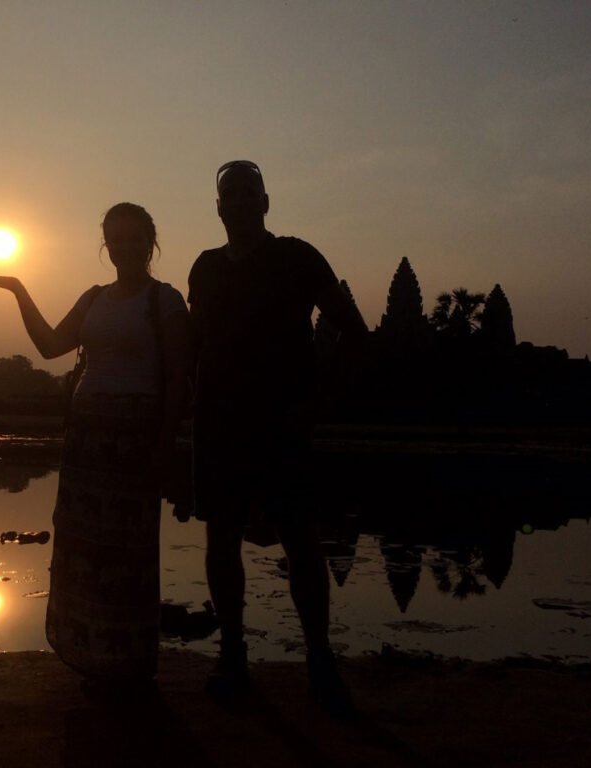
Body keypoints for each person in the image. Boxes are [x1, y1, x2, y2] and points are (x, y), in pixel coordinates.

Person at [0, 202, 189, 694]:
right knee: (82, 545)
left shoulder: (165, 301)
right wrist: (18, 289)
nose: (125, 247)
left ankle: (129, 660)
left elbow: (179, 381)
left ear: (151, 242)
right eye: (116, 238)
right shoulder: (94, 299)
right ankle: (88, 654)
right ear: (105, 244)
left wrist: (164, 446)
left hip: (134, 440)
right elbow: (51, 346)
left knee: (127, 550)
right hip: (87, 439)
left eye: (135, 238)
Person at [188, 161, 368, 715]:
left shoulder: (297, 256)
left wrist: (315, 404)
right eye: (229, 195)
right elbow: (198, 346)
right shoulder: (206, 269)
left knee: (302, 543)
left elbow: (351, 330)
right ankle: (233, 654)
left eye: (248, 194)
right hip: (220, 424)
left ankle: (319, 658)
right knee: (221, 542)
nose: (239, 203)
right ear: (218, 208)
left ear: (266, 203)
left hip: (283, 423)